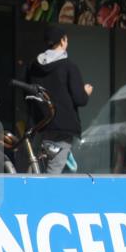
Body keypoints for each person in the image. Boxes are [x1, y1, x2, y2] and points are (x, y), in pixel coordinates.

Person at [25, 26, 93, 173]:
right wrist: (86, 92)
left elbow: (27, 94)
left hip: (40, 125)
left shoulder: (33, 66)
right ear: (62, 41)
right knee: (54, 170)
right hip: (62, 126)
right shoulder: (68, 66)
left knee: (36, 168)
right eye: (66, 39)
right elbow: (80, 99)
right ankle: (46, 196)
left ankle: (28, 195)